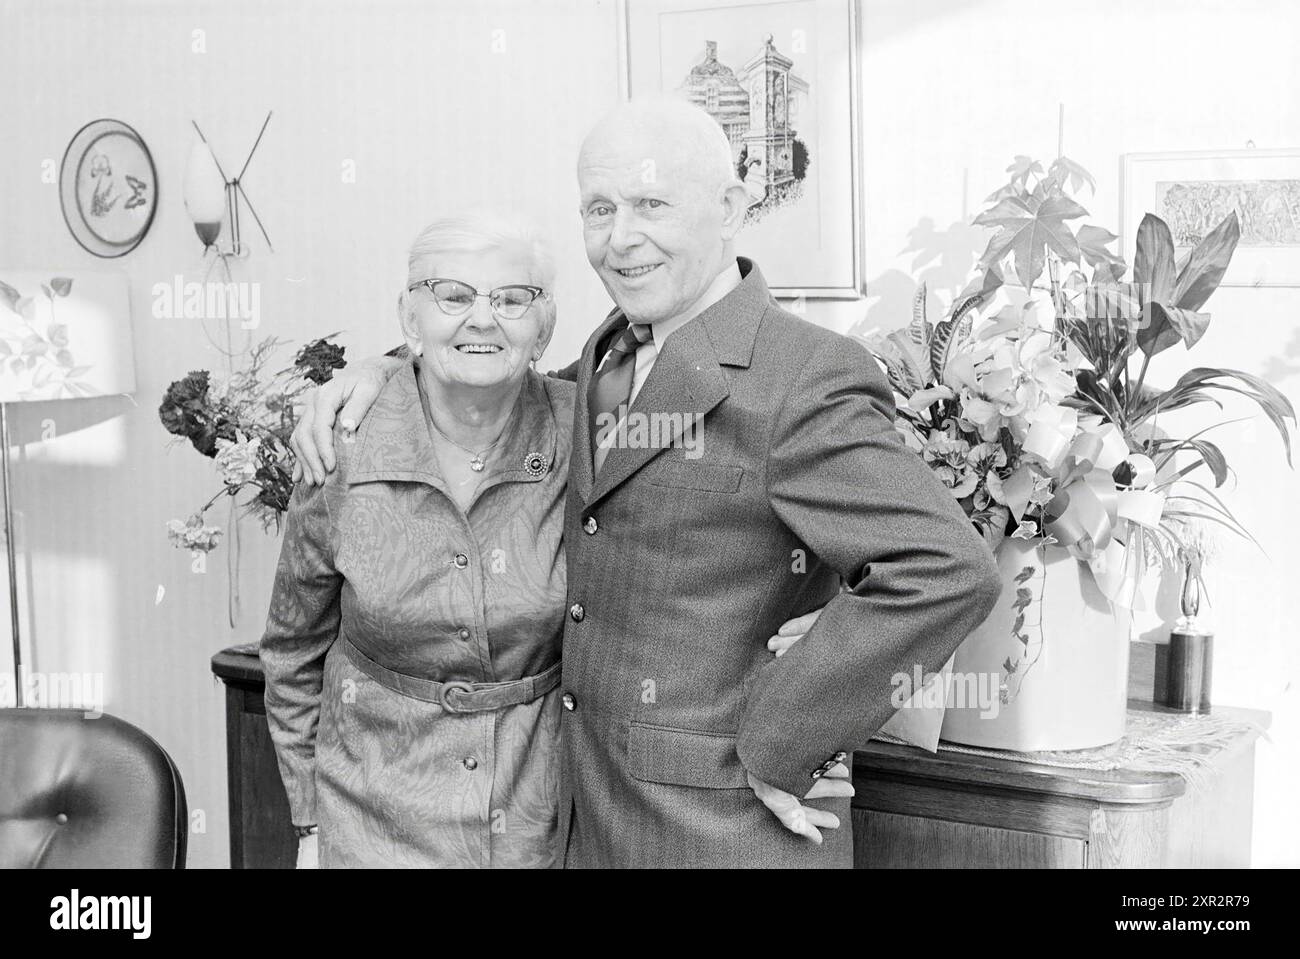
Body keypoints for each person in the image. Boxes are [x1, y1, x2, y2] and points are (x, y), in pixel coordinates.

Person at [293, 98, 1003, 868]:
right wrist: (383, 374)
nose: (620, 237)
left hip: (725, 831)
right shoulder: (606, 354)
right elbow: (493, 381)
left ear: (730, 208)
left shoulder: (804, 375)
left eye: (651, 204)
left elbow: (944, 569)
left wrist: (785, 742)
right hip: (587, 823)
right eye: (599, 208)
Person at [260, 213, 573, 868]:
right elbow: (292, 649)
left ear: (544, 327)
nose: (482, 319)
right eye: (452, 295)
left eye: (511, 299)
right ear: (410, 317)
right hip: (370, 825)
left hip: (535, 824)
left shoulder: (587, 436)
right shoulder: (342, 441)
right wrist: (311, 824)